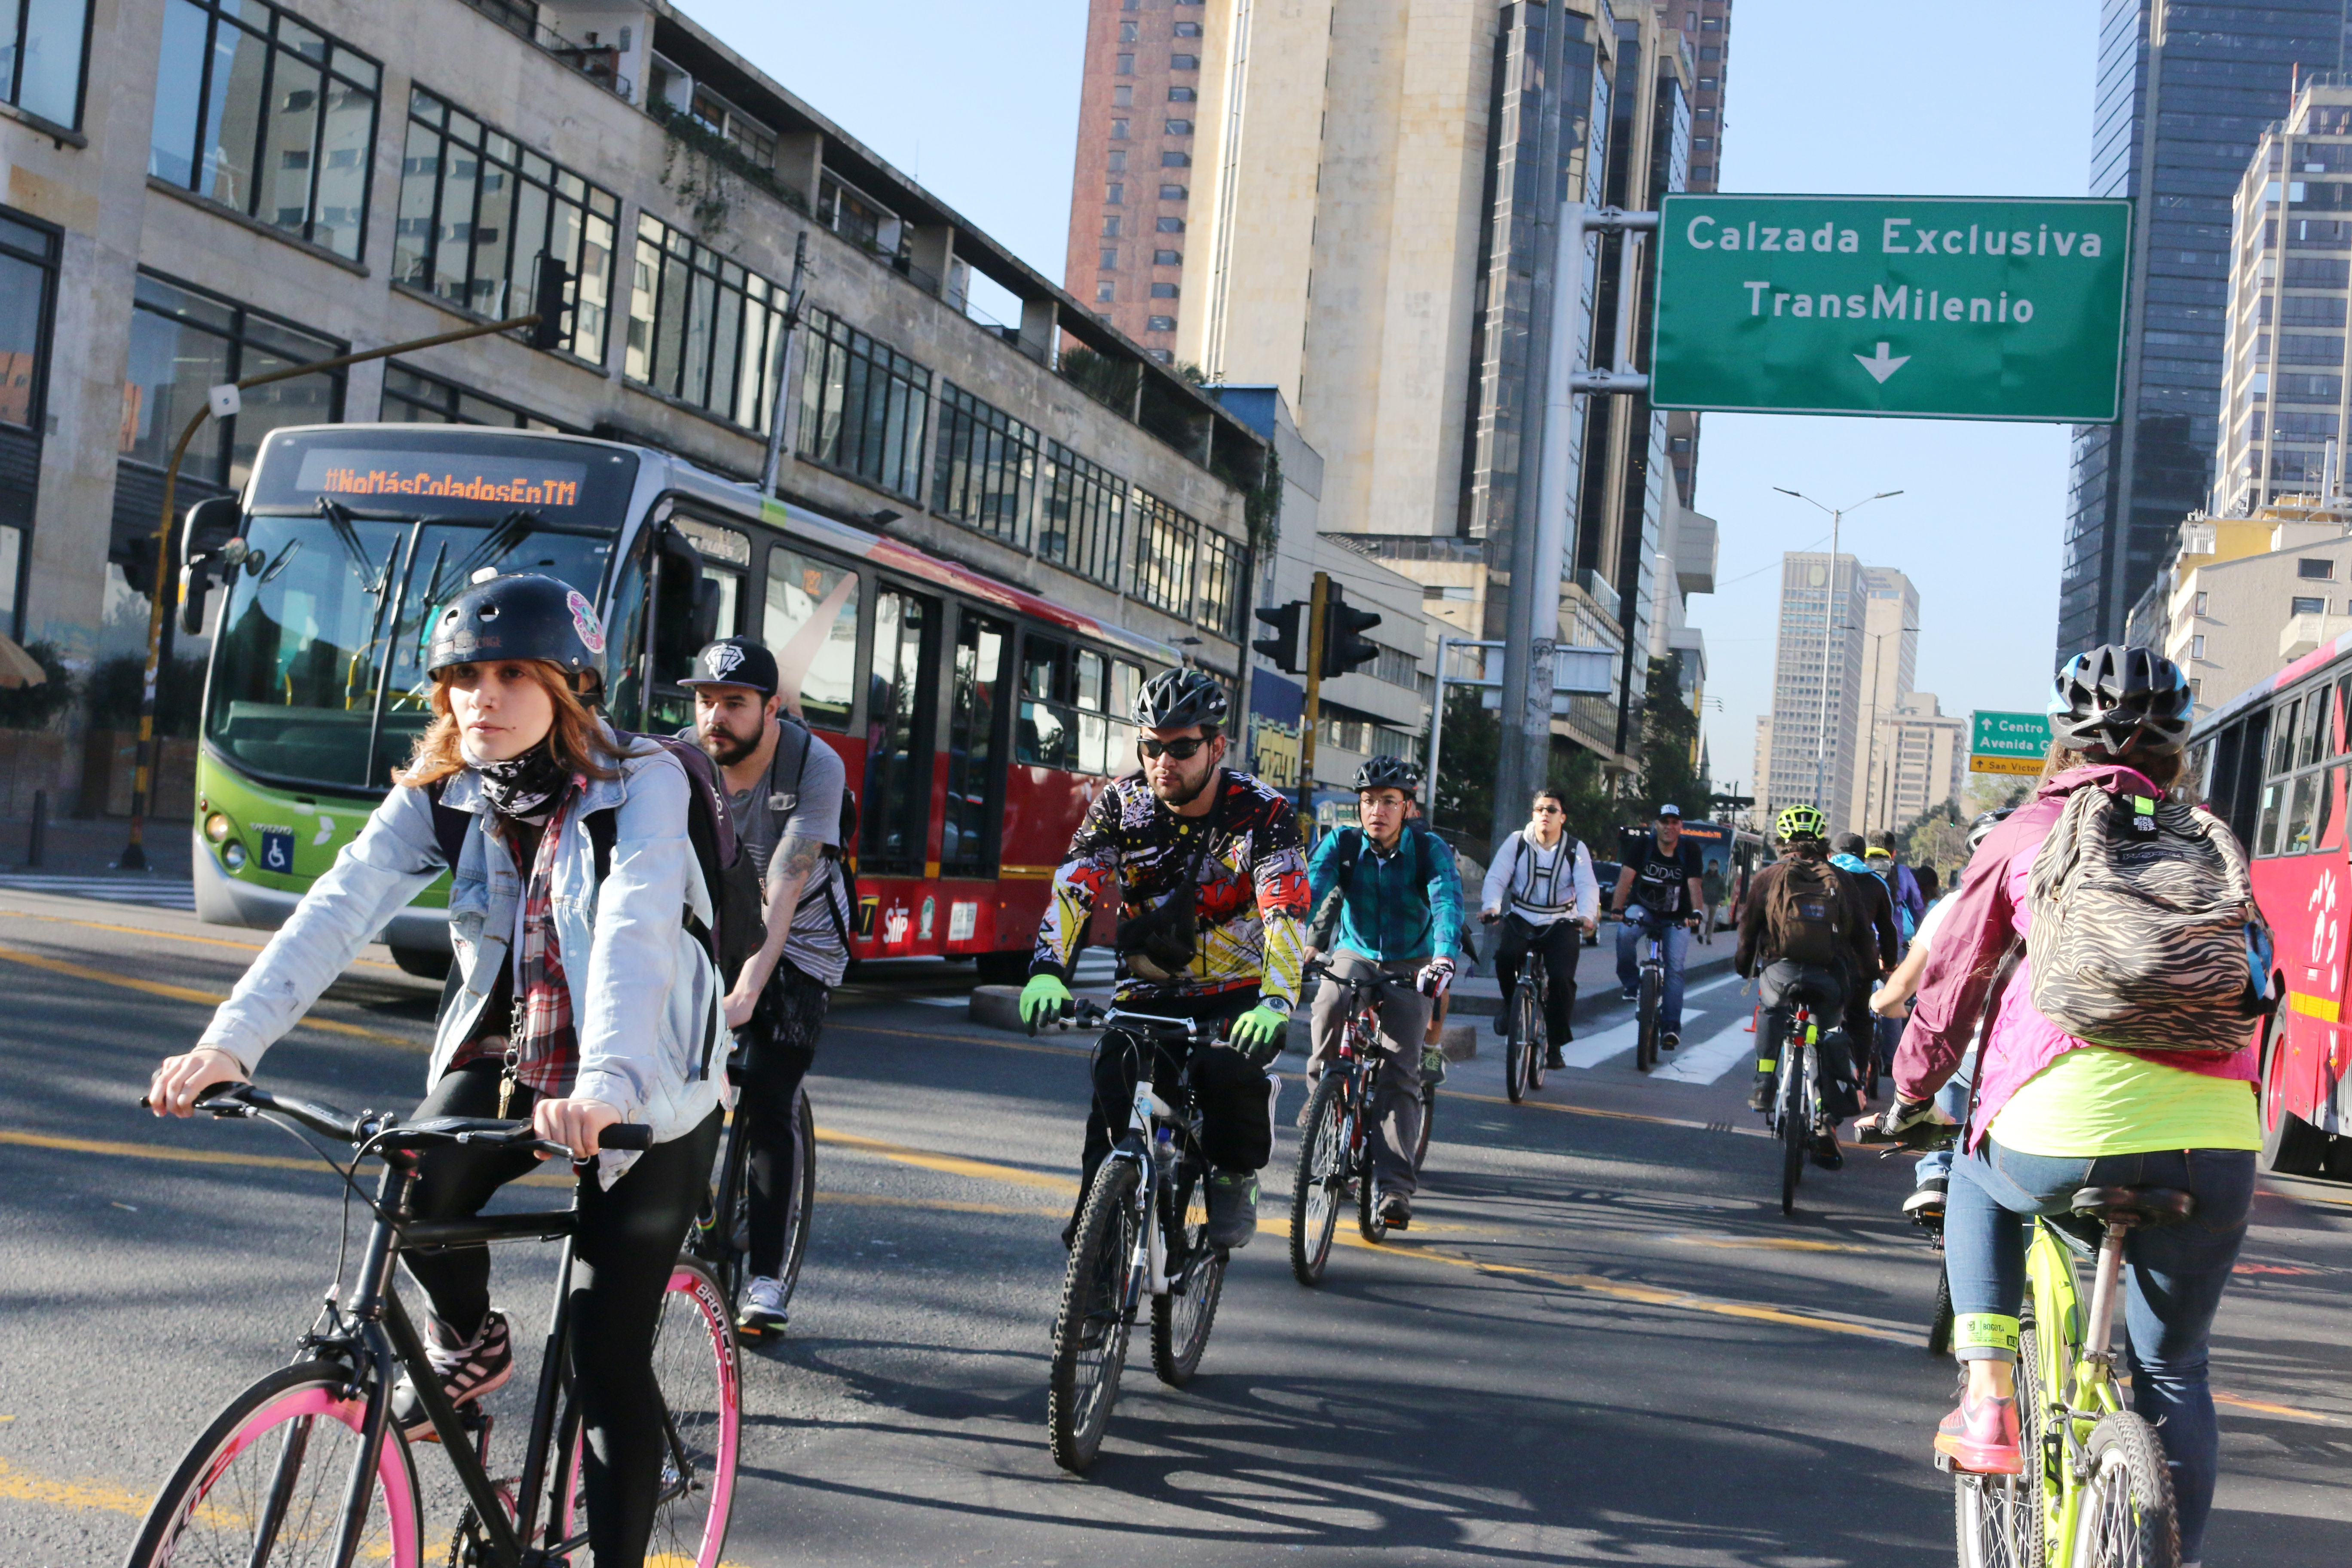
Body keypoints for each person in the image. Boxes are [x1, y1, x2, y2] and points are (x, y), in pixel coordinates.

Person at [146, 573, 725, 1568]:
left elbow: (633, 931)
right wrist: (228, 1044)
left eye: (510, 674)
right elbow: (337, 909)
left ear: (569, 687)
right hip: (517, 1060)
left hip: (650, 1089)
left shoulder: (643, 782)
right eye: (462, 675)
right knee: (407, 1173)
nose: (479, 698)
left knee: (603, 1350)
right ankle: (470, 1347)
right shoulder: (446, 789)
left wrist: (610, 1088)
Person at [1879, 645, 2255, 1568]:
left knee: (1972, 1166)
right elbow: (2255, 985)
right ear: (2178, 752)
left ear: (2061, 743)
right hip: (2215, 1143)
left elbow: (1955, 980)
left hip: (2057, 1134)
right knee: (2176, 1372)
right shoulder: (2209, 840)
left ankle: (1989, 1395)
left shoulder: (2021, 833)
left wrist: (1910, 1089)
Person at [1020, 668, 1307, 1250]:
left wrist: (1276, 1001)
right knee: (1109, 1109)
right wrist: (1047, 970)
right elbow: (1076, 889)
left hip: (1239, 993)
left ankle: (1234, 1173)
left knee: (1230, 1074)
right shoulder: (1121, 805)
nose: (1162, 761)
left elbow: (1284, 915)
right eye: (1151, 746)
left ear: (1216, 747)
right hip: (1147, 992)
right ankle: (1093, 1278)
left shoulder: (1264, 813)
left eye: (1181, 747)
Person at [680, 635, 850, 1341]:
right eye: (706, 700)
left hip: (802, 939)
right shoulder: (679, 758)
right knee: (678, 1080)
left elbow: (785, 883)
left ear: (771, 708)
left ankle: (766, 1276)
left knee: (768, 1093)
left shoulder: (814, 764)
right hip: (716, 922)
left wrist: (747, 992)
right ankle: (692, 1215)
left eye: (735, 703)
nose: (716, 716)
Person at [1298, 756, 1463, 1228]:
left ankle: (1394, 1187)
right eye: (1369, 801)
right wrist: (1290, 944)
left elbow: (1448, 901)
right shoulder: (1343, 843)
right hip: (1359, 950)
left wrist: (1443, 957)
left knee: (1399, 1066)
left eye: (1389, 802)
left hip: (1413, 959)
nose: (1377, 811)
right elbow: (1310, 890)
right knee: (1329, 1002)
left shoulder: (1428, 849)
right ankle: (1323, 1100)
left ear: (1407, 807)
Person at [1868, 809, 2013, 1216]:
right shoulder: (2054, 900)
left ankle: (1936, 1178)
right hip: (2034, 1060)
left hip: (1968, 1053)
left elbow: (1903, 986)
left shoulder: (1953, 905)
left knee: (1945, 1092)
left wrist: (1883, 1003)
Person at [1734, 804, 1874, 1166]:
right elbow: (1861, 934)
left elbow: (1748, 932)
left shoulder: (1768, 877)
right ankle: (1825, 1119)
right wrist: (1868, 974)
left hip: (1780, 973)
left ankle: (1764, 1084)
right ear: (1823, 840)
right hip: (1828, 978)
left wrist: (1743, 967)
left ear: (1783, 841)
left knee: (1770, 1010)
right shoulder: (1840, 878)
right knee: (1827, 1034)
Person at [1481, 788, 1599, 1069]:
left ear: (1563, 818)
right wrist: (1491, 906)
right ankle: (1511, 1005)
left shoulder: (1575, 848)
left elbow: (1586, 884)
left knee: (1561, 979)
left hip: (1562, 921)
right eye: (1539, 809)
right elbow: (1497, 876)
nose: (1545, 814)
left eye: (1552, 810)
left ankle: (1555, 1044)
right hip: (1523, 915)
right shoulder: (1517, 842)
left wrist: (1587, 915)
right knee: (1506, 957)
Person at [1611, 805, 1706, 1049]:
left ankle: (1671, 1028)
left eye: (1675, 822)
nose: (1669, 827)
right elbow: (1625, 880)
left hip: (1678, 916)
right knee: (1625, 934)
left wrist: (1697, 912)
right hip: (1644, 909)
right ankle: (1632, 984)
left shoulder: (1690, 850)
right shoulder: (1643, 846)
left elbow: (1695, 885)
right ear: (1656, 825)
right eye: (1665, 822)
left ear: (1680, 827)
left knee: (1675, 969)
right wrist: (1617, 909)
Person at [1830, 831, 1905, 1090]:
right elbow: (1887, 930)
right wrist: (1890, 964)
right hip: (1861, 966)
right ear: (1864, 857)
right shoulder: (1876, 883)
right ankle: (1859, 1078)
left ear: (1832, 853)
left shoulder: (1822, 875)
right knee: (1860, 1021)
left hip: (1821, 961)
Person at [1865, 827, 1928, 937]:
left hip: (1861, 939)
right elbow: (1917, 907)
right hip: (1892, 939)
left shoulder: (1858, 868)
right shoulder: (1903, 871)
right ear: (1894, 854)